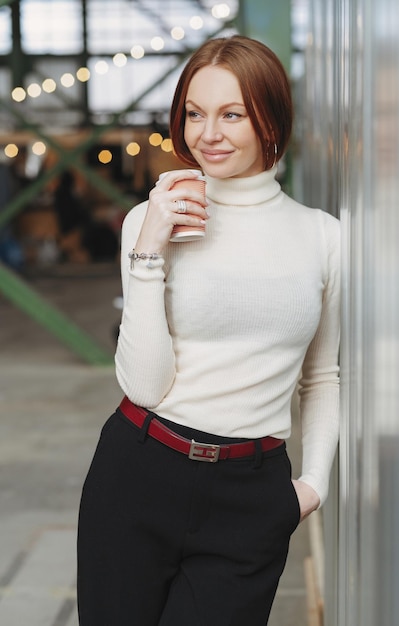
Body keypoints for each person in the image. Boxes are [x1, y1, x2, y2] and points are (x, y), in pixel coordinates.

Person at [77, 35, 340, 626]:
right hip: (138, 473)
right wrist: (149, 249)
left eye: (232, 114)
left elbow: (322, 376)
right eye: (195, 114)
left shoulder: (323, 238)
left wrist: (314, 485)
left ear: (271, 118)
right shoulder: (152, 219)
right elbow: (144, 386)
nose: (207, 134)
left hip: (252, 493)